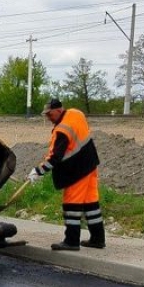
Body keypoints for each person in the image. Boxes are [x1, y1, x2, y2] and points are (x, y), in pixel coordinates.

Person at [27, 98, 105, 251]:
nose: (48, 118)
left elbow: (55, 157)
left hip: (77, 170)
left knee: (71, 205)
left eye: (50, 114)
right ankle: (98, 238)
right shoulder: (76, 114)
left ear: (58, 110)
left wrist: (38, 171)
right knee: (91, 204)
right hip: (90, 164)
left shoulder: (62, 130)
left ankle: (71, 241)